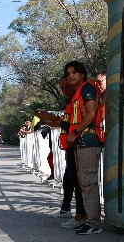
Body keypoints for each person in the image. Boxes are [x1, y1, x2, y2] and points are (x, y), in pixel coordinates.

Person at [65, 61, 104, 235]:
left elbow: (91, 114)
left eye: (74, 72)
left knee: (88, 182)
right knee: (83, 183)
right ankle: (90, 221)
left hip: (89, 141)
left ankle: (94, 224)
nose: (70, 76)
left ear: (82, 74)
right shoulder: (79, 91)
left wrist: (75, 133)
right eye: (68, 74)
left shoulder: (87, 88)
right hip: (82, 143)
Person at [51, 77, 86, 229]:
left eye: (67, 87)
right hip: (70, 146)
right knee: (68, 179)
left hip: (80, 144)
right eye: (62, 88)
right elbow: (69, 124)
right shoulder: (69, 102)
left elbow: (77, 124)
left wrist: (61, 124)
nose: (65, 91)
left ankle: (81, 216)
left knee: (78, 182)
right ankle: (67, 209)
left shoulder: (80, 99)